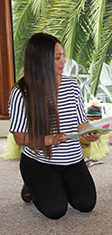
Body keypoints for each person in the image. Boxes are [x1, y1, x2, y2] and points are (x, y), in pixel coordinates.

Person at [8, 33, 100, 219]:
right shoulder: (21, 92)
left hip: (72, 159)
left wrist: (89, 132)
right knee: (55, 211)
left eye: (62, 55)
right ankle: (32, 184)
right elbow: (19, 137)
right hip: (39, 161)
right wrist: (50, 139)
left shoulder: (72, 86)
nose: (64, 61)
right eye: (57, 57)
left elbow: (81, 123)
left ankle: (55, 184)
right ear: (40, 60)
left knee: (86, 204)